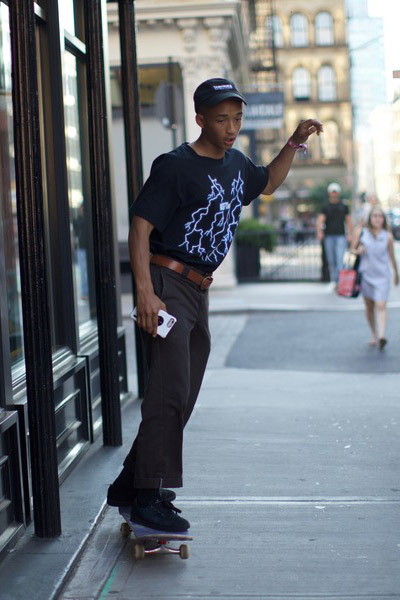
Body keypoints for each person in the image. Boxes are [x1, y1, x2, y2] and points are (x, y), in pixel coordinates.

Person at [107, 77, 323, 532]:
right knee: (168, 391)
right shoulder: (175, 166)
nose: (231, 127)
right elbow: (140, 229)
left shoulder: (236, 163)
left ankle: (131, 481)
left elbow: (266, 184)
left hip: (198, 289)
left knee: (183, 394)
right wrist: (145, 292)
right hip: (167, 282)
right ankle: (147, 494)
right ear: (200, 118)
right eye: (222, 119)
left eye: (237, 118)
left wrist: (293, 142)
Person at [350, 206, 399, 349]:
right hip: (366, 275)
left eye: (380, 216)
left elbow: (392, 257)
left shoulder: (387, 236)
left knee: (381, 305)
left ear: (383, 219)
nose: (377, 219)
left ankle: (382, 336)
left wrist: (396, 273)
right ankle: (374, 333)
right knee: (369, 305)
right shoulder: (362, 233)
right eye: (375, 216)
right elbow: (352, 250)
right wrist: (358, 251)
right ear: (369, 218)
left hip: (383, 275)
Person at [316, 182, 354, 285]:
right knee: (331, 259)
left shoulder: (343, 206)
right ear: (329, 193)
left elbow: (349, 221)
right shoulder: (325, 207)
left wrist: (350, 234)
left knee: (339, 259)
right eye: (332, 192)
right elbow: (320, 220)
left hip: (340, 236)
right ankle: (334, 280)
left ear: (338, 193)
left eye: (336, 192)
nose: (334, 194)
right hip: (328, 236)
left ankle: (339, 281)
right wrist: (319, 232)